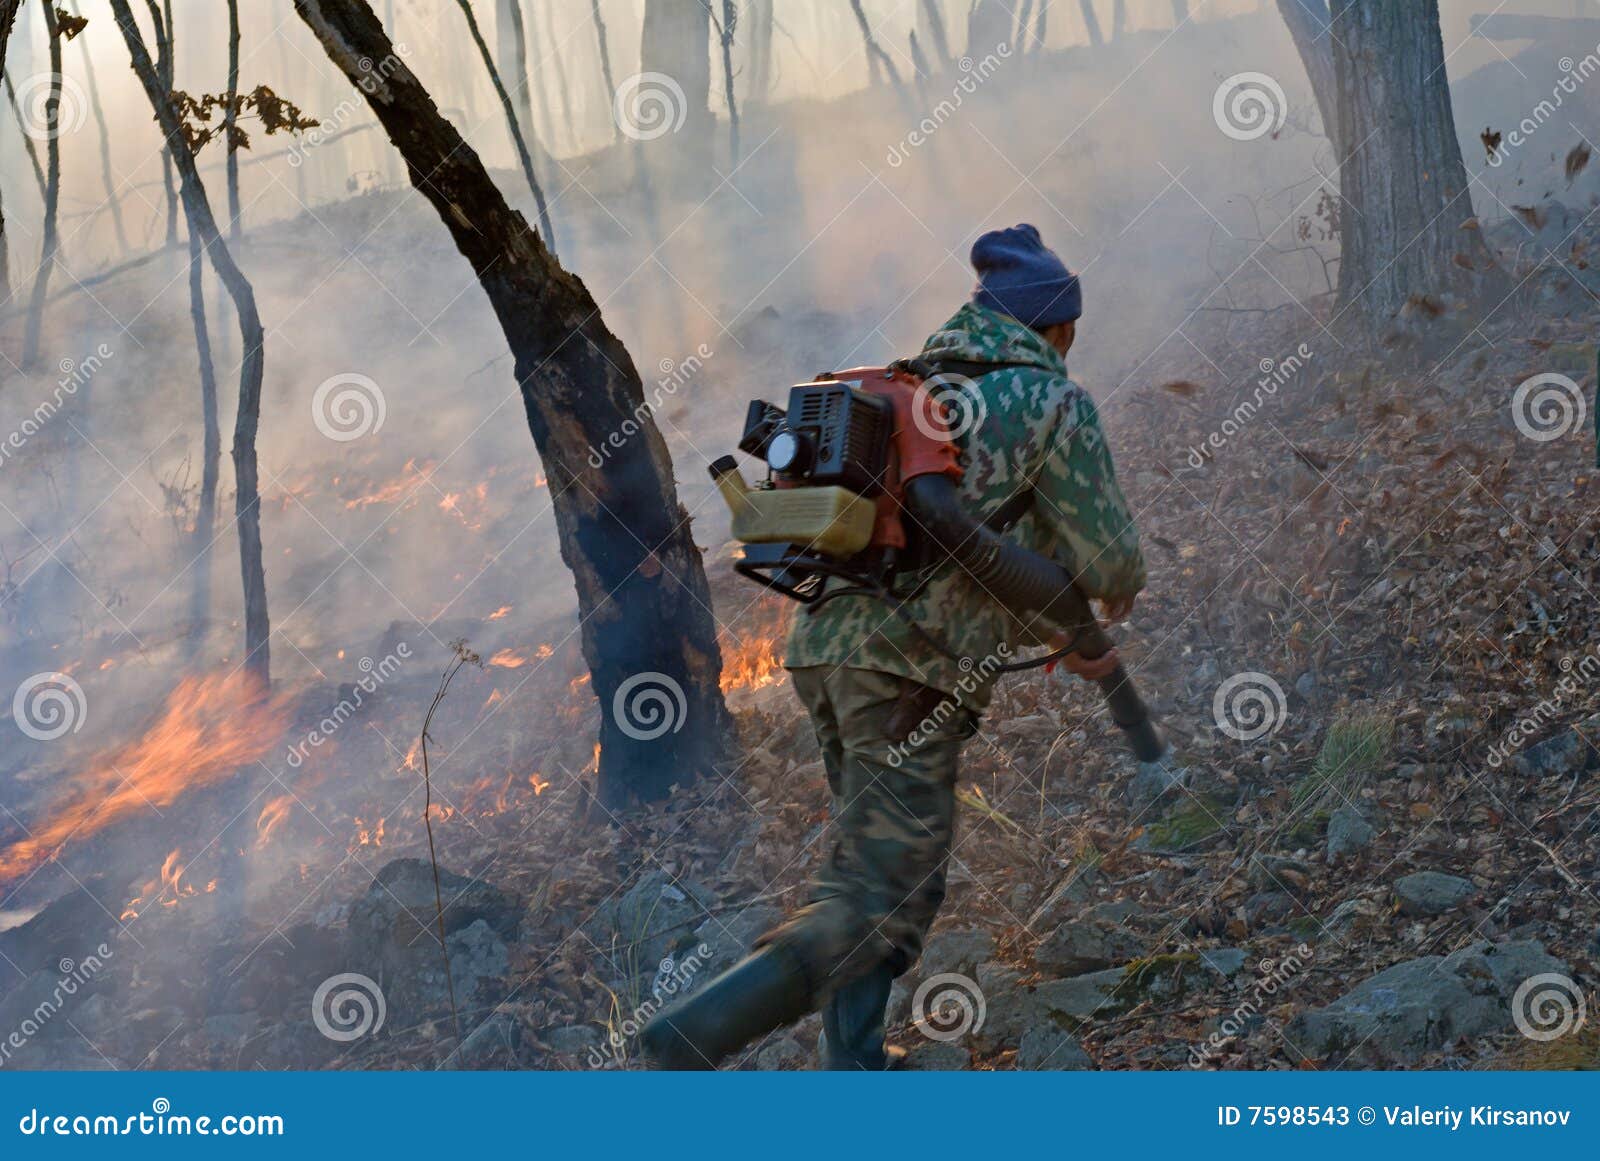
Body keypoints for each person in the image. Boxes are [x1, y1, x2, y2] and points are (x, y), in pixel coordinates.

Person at [643, 224, 1147, 1070]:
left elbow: (964, 560)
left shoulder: (914, 389)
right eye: (1070, 331)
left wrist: (1057, 620)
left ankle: (855, 1069)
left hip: (823, 651)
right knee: (883, 895)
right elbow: (1111, 562)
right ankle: (694, 1032)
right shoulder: (1051, 402)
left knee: (872, 875)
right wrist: (1101, 587)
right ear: (1056, 327)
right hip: (905, 675)